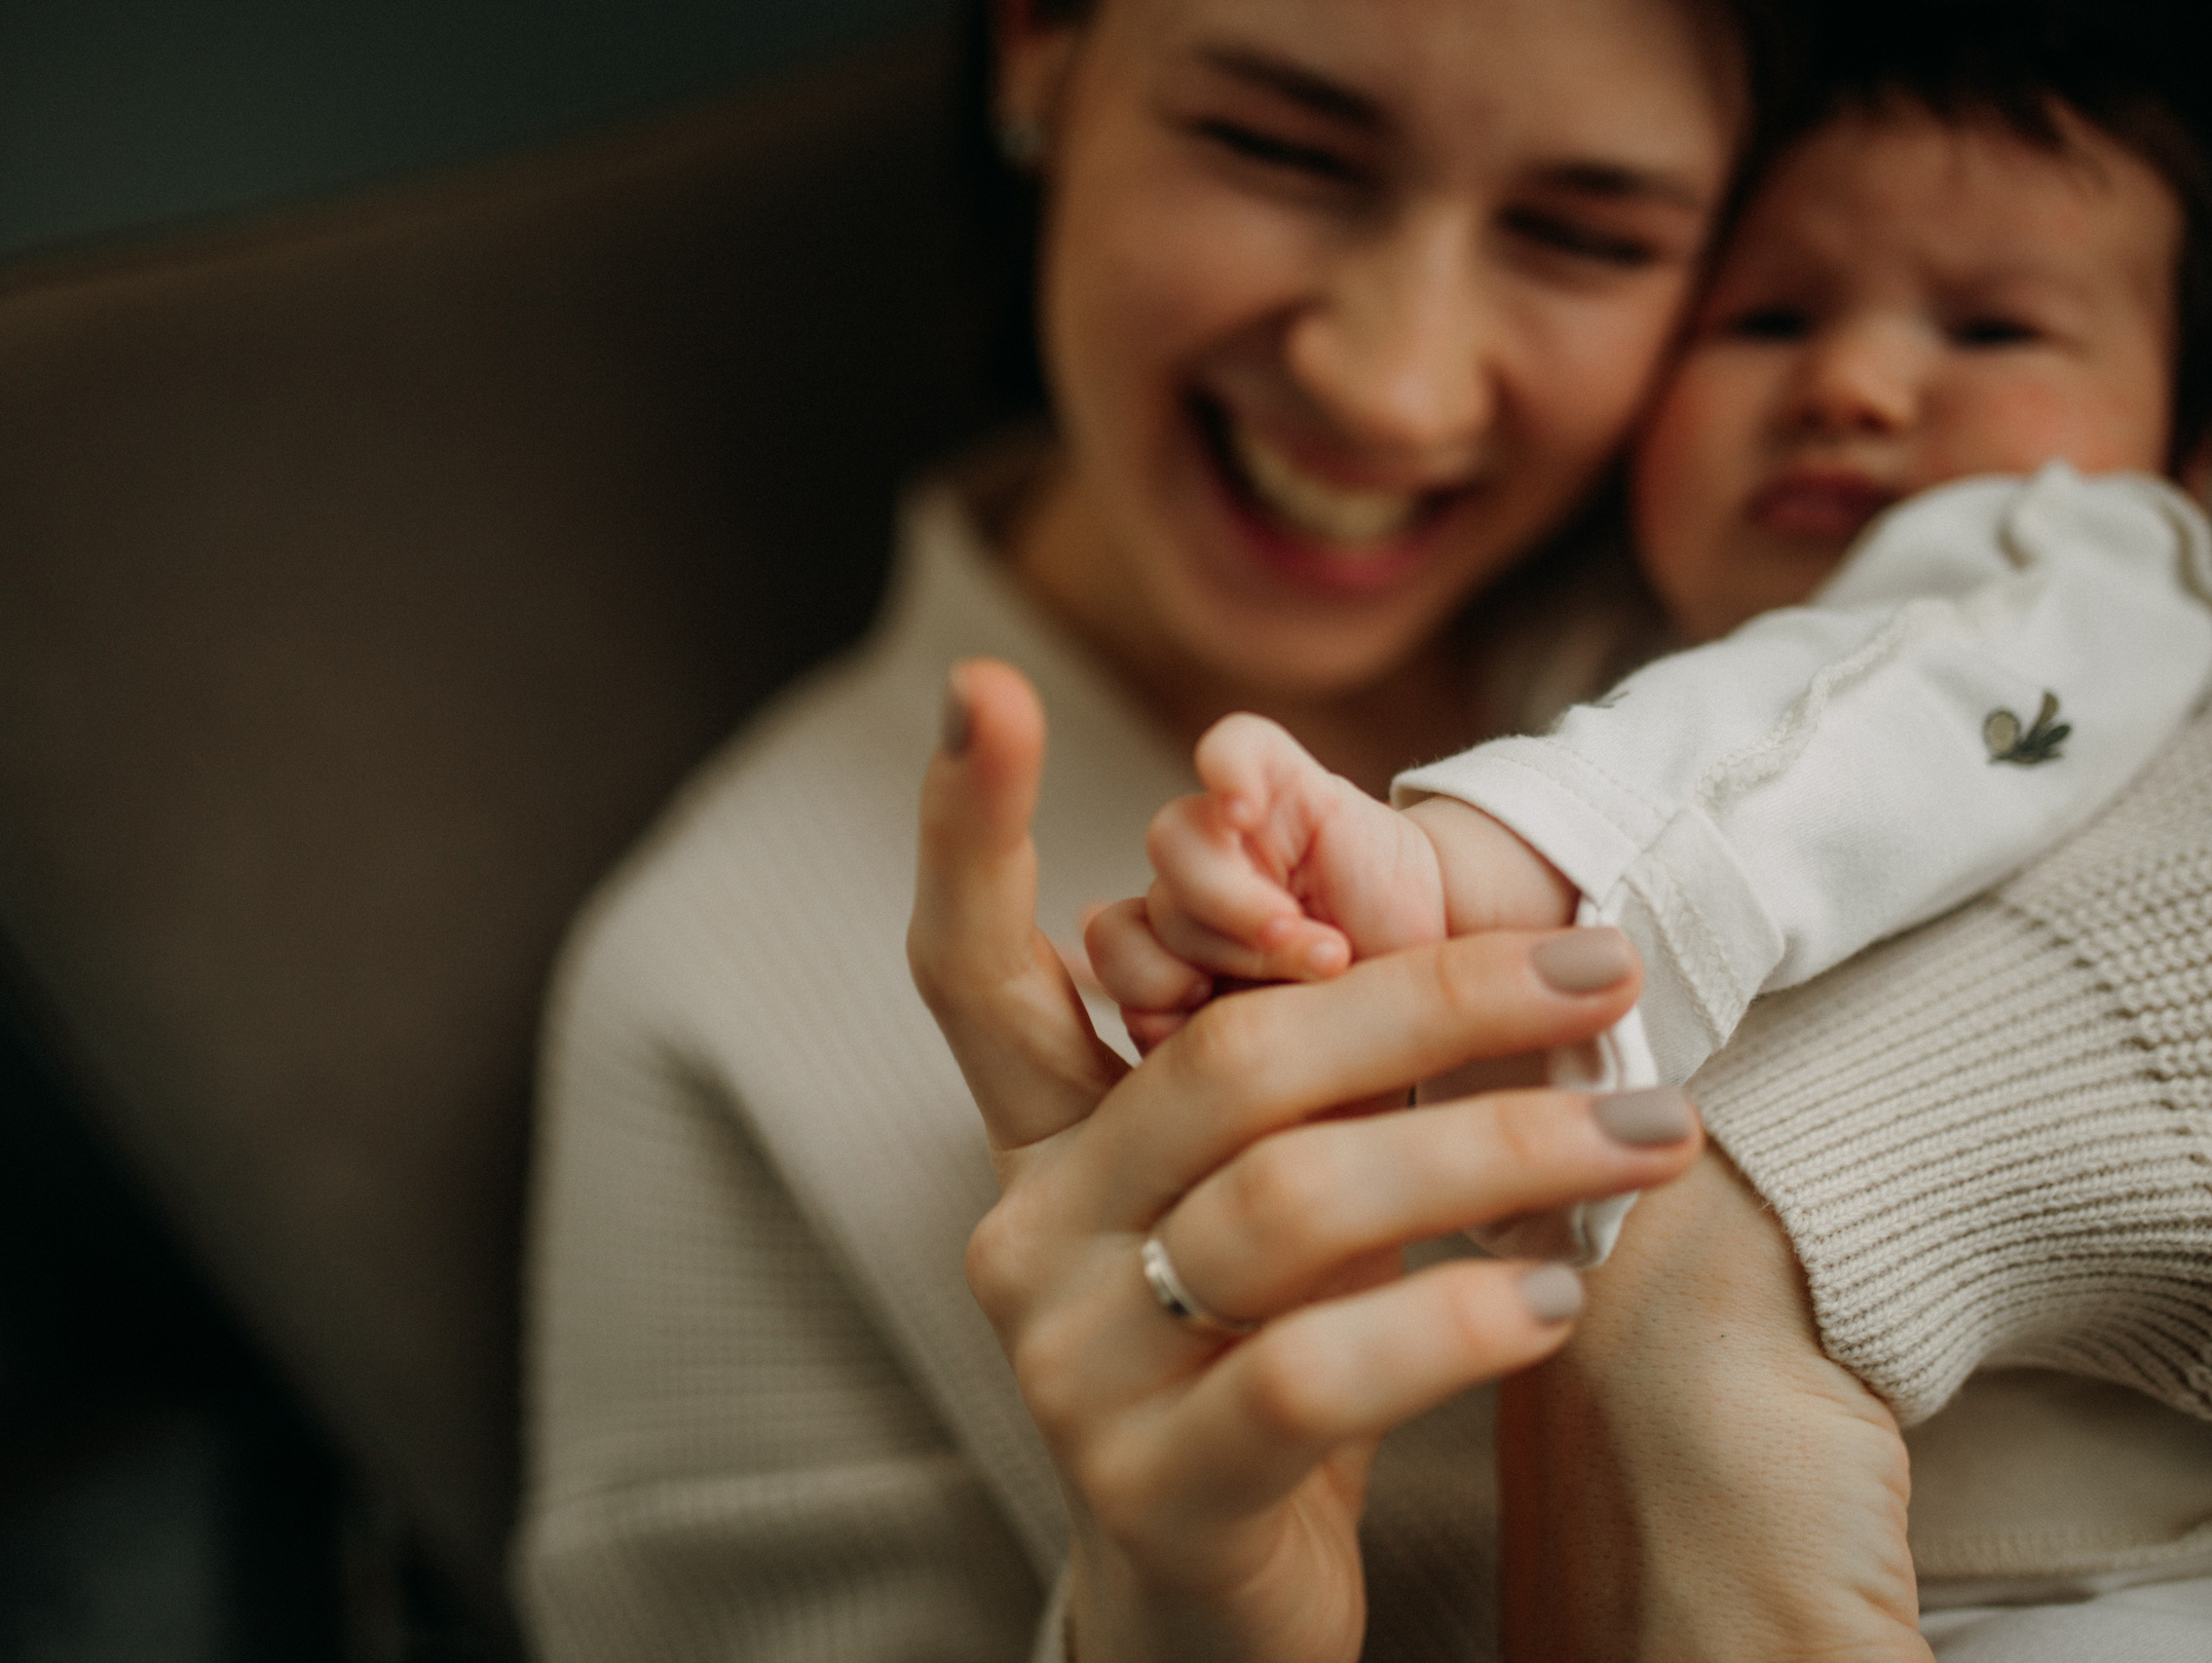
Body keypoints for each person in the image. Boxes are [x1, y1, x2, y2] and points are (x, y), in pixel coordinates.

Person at [514, 0, 1780, 1658]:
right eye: (1277, 149)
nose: (1393, 388)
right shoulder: (712, 1013)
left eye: (1582, 235)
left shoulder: (1852, 583)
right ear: (1039, 40)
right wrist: (1178, 1623)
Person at [1093, 50, 2212, 1266]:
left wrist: (1472, 879)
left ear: (2191, 465)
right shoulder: (1592, 632)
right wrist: (1321, 1000)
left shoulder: (2095, 582)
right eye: (1768, 319)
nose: (1849, 385)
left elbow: (1867, 712)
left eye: (1995, 329)